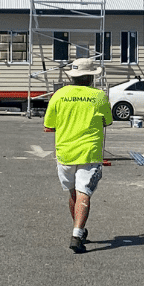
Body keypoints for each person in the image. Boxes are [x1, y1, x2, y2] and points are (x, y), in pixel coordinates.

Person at [43, 57, 112, 254]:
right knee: (85, 192)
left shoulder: (59, 95)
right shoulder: (99, 96)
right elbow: (108, 120)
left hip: (65, 152)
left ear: (72, 77)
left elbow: (49, 125)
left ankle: (78, 229)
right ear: (91, 77)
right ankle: (77, 234)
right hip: (89, 151)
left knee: (74, 192)